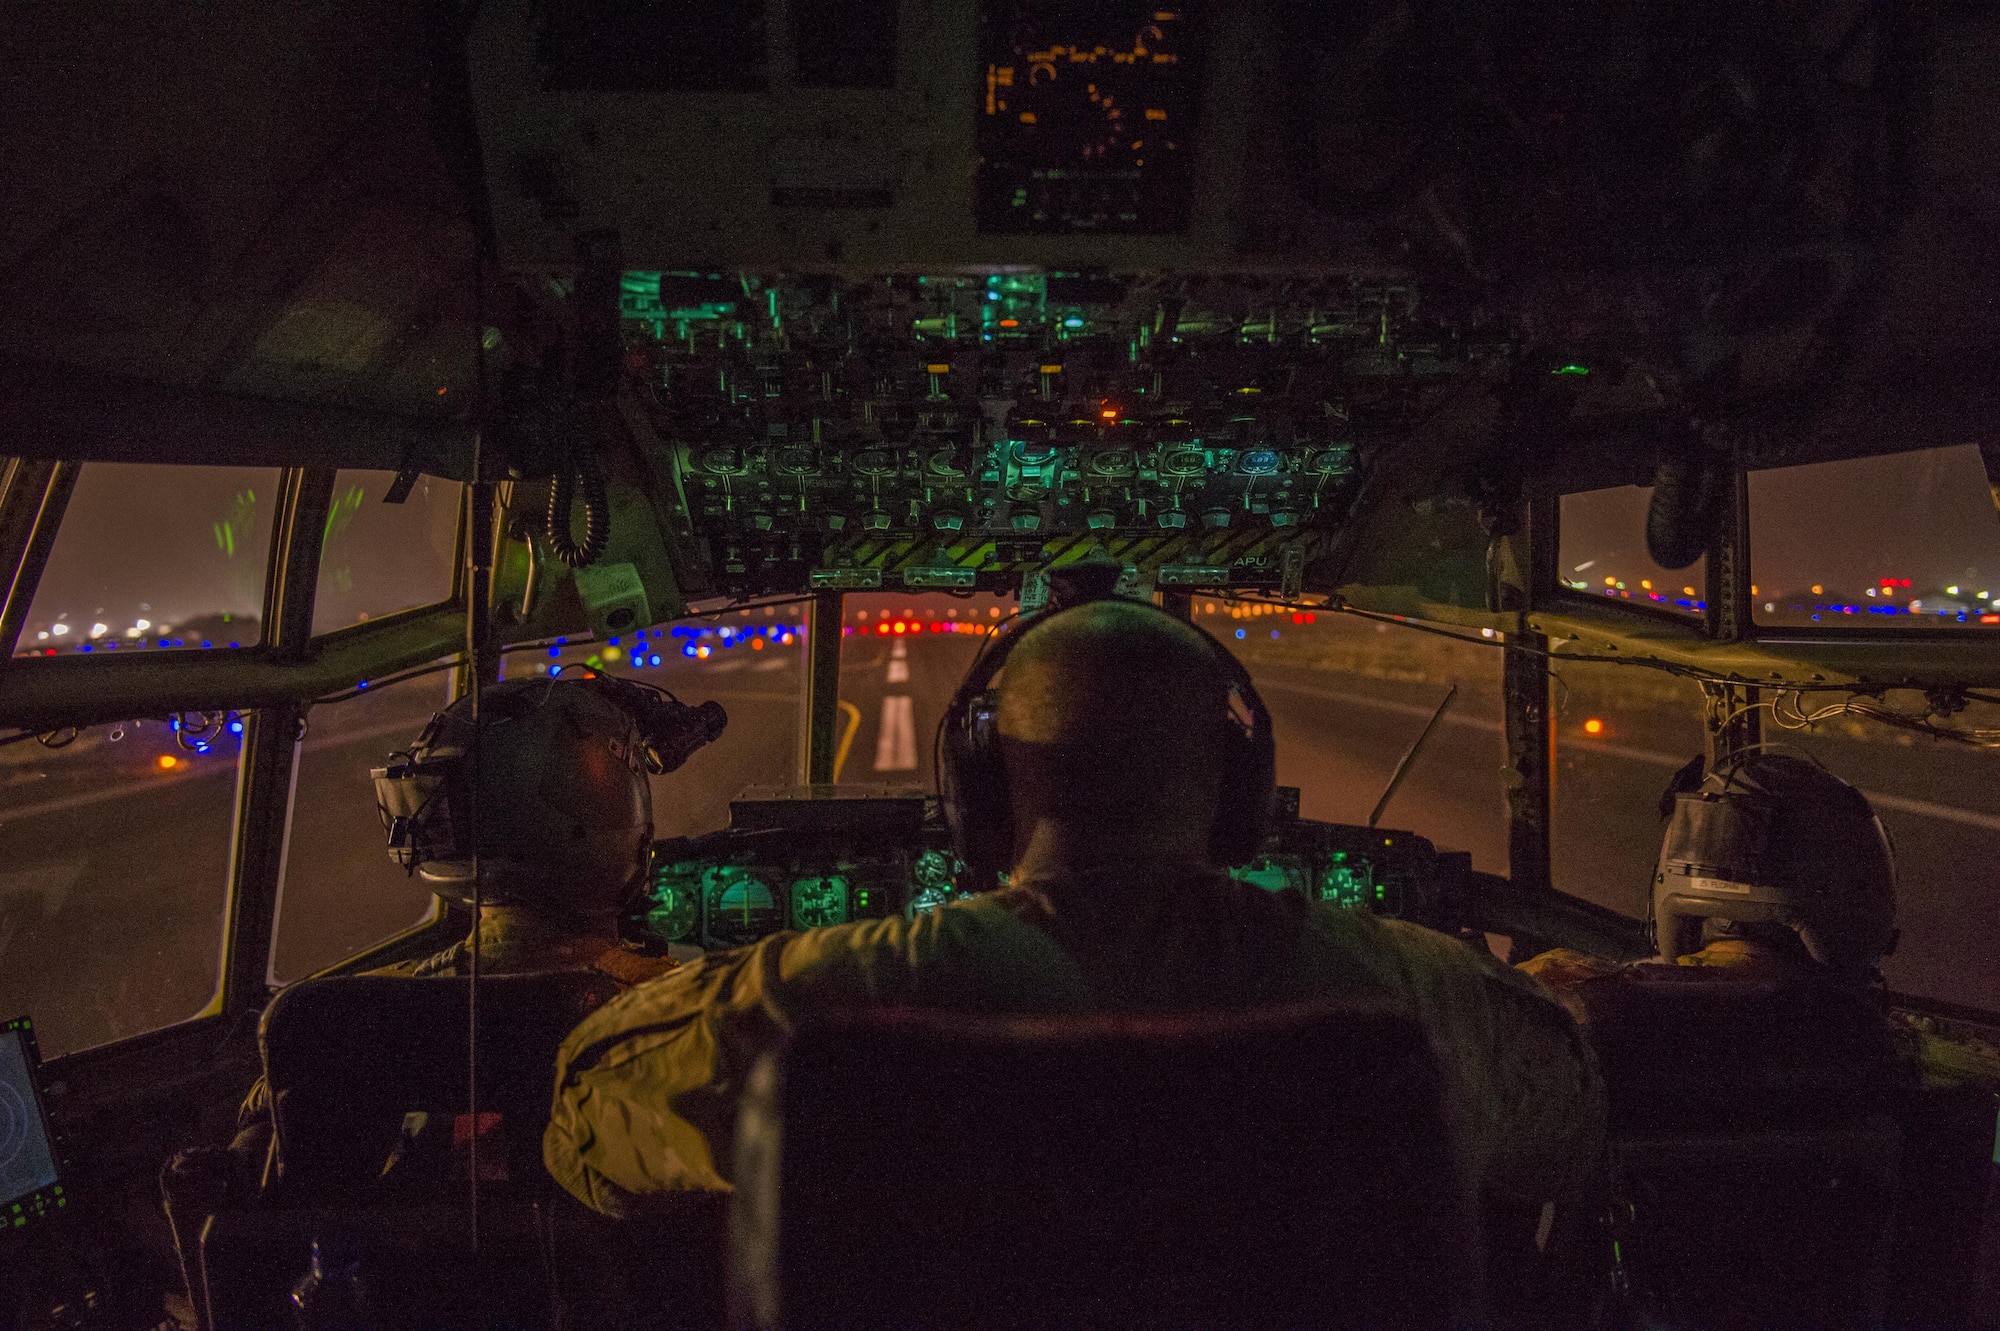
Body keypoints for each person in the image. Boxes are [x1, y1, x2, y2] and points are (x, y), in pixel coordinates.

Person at [543, 596, 1603, 1219]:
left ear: (979, 792)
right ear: (1238, 791)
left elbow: (586, 1118)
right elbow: (1572, 1117)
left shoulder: (823, 1003)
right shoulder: (1421, 998)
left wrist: (672, 982)